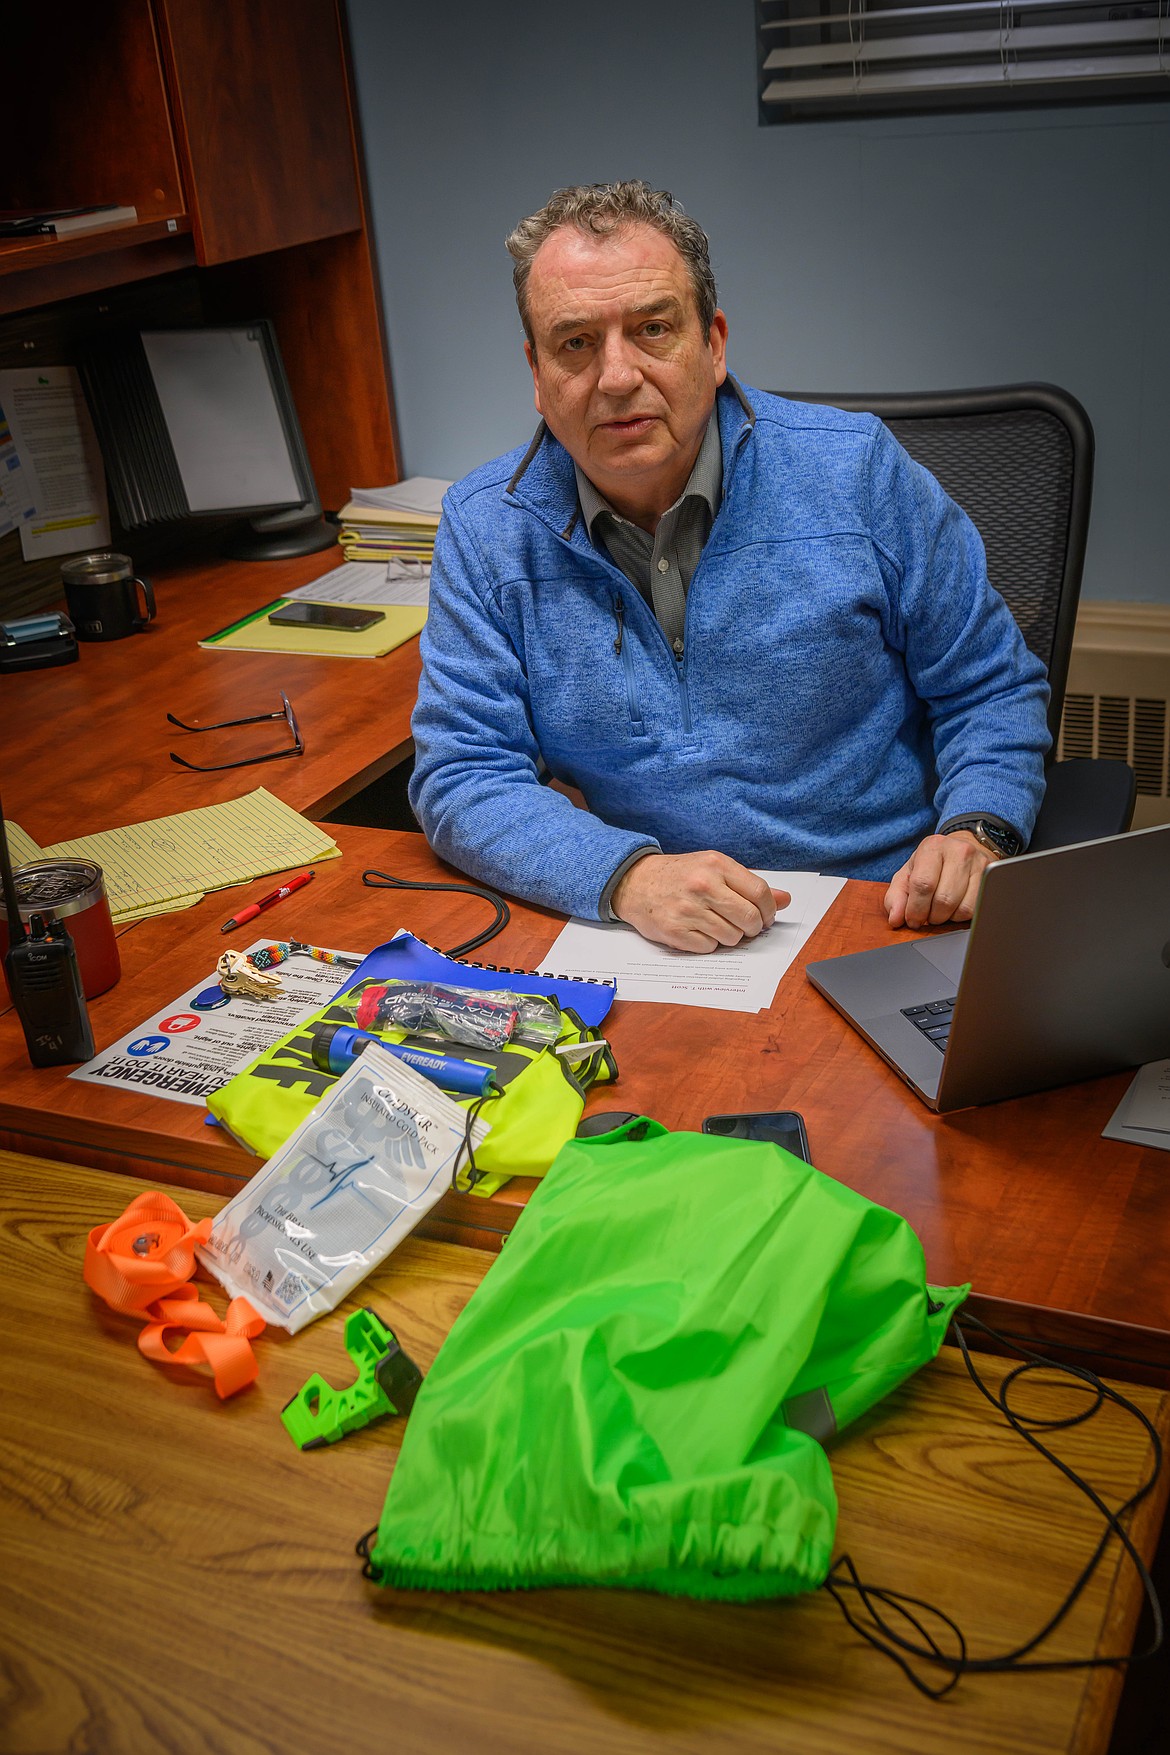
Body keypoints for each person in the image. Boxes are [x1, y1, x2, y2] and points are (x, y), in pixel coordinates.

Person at [409, 181, 1051, 953]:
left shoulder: (857, 473)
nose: (615, 377)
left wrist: (979, 830)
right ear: (537, 373)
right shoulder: (486, 530)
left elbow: (992, 686)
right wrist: (626, 877)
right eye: (575, 343)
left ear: (713, 344)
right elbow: (464, 772)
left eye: (652, 329)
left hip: (883, 913)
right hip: (654, 938)